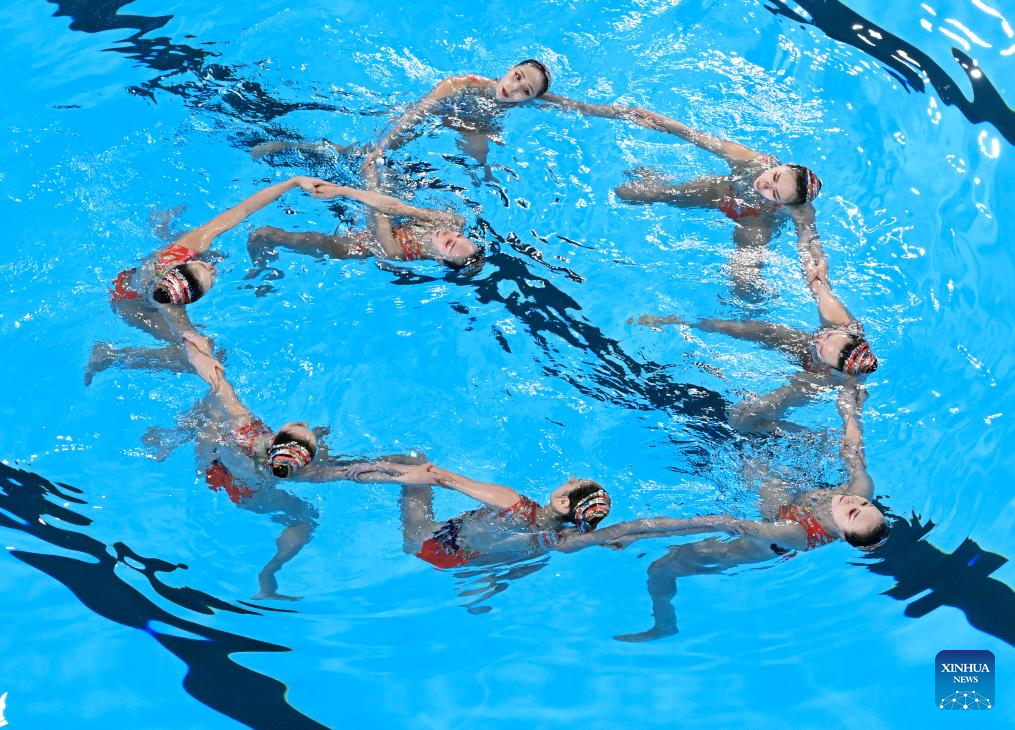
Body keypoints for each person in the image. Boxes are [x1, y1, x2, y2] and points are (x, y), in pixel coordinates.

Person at [143, 333, 427, 600]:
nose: (303, 424)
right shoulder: (305, 473)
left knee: (212, 406)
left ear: (280, 433)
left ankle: (172, 438)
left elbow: (217, 382)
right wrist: (407, 472)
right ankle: (269, 573)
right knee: (306, 516)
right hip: (245, 494)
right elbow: (356, 473)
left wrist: (198, 348)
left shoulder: (242, 426)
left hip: (212, 463)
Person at [607, 382, 890, 642]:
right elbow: (852, 445)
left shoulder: (795, 533)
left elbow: (720, 523)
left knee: (660, 568)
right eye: (864, 504)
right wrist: (853, 405)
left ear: (841, 533)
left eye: (853, 513)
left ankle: (664, 624)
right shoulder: (860, 489)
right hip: (792, 501)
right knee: (761, 447)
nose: (853, 502)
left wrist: (636, 533)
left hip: (759, 543)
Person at [85, 176, 329, 385]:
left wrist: (292, 182)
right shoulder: (172, 307)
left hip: (145, 274)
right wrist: (200, 357)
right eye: (210, 278)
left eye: (203, 268)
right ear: (188, 300)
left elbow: (241, 210)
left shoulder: (185, 249)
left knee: (210, 252)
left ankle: (161, 229)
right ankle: (111, 355)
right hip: (130, 303)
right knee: (211, 349)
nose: (212, 269)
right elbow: (189, 337)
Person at [634, 229, 878, 432]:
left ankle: (795, 434)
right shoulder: (840, 321)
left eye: (823, 347)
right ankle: (681, 320)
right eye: (829, 334)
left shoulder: (841, 384)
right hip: (820, 355)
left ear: (828, 365)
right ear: (847, 333)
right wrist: (810, 253)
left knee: (743, 418)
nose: (820, 337)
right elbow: (816, 279)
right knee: (756, 330)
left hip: (816, 378)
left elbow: (853, 430)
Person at [613, 108, 824, 300]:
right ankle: (656, 178)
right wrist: (642, 115)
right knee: (628, 193)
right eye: (776, 176)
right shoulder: (751, 161)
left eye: (775, 193)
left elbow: (809, 244)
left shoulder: (801, 209)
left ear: (784, 203)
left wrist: (817, 276)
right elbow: (691, 134)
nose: (766, 184)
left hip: (756, 220)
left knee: (742, 283)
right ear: (784, 165)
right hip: (721, 192)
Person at [246, 164, 484, 275]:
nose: (450, 234)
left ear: (441, 261)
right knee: (385, 174)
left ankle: (261, 265)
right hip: (384, 213)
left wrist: (349, 188)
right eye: (458, 236)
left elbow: (377, 212)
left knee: (264, 234)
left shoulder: (394, 253)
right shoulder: (453, 222)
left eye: (450, 244)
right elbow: (402, 208)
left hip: (361, 243)